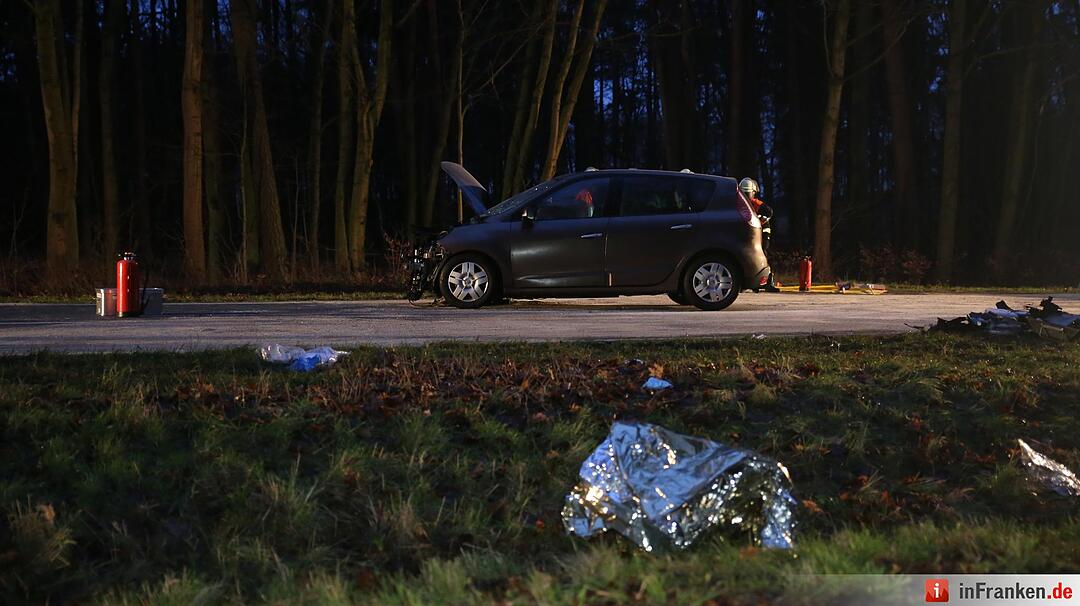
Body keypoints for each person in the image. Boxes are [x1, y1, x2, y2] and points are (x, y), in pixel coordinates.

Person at [738, 178, 780, 292]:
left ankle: (768, 281)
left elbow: (769, 212)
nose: (747, 196)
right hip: (750, 231)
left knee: (763, 252)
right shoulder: (739, 204)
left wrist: (761, 219)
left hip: (762, 231)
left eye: (748, 193)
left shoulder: (757, 204)